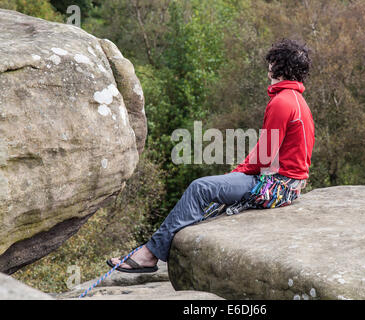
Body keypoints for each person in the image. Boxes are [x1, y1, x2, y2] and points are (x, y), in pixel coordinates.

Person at [107, 38, 315, 273]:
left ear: (278, 66)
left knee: (201, 188)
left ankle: (148, 255)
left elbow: (264, 157)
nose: (269, 65)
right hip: (290, 185)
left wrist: (237, 173)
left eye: (273, 60)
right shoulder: (297, 100)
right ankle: (155, 250)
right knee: (213, 191)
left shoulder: (281, 102)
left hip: (276, 186)